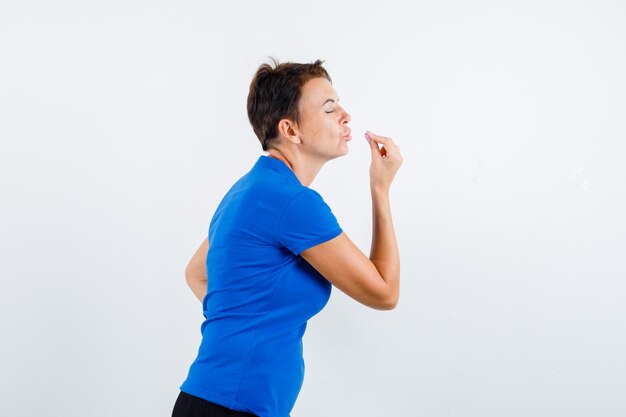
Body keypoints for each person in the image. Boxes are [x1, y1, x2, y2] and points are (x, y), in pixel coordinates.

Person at [172, 58, 403, 417]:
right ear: (291, 130)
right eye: (329, 108)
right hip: (230, 407)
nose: (346, 115)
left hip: (218, 402)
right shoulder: (290, 201)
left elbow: (195, 273)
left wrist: (245, 320)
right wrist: (381, 188)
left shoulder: (249, 189)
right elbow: (384, 292)